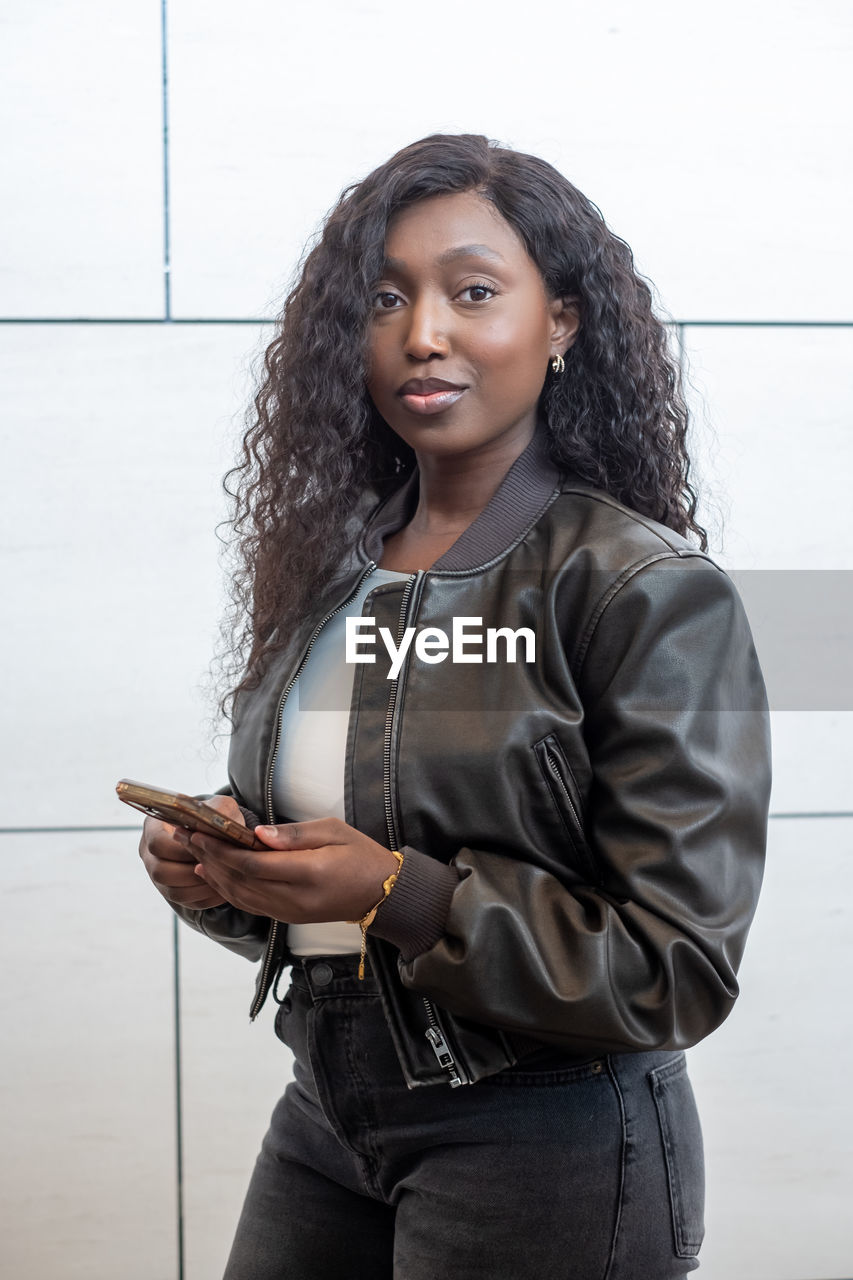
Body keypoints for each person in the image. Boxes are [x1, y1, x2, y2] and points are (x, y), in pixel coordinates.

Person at [139, 133, 771, 1279]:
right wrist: (230, 871)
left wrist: (398, 890)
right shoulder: (333, 569)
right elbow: (340, 890)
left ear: (562, 321)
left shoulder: (641, 588)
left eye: (471, 291)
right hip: (330, 1112)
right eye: (386, 298)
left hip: (549, 1134)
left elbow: (678, 964)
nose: (421, 332)